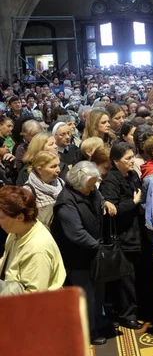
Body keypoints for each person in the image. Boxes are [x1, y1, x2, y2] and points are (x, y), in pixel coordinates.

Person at [52, 161, 116, 345]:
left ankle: (98, 322)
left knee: (98, 292)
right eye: (89, 186)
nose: (92, 189)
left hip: (93, 254)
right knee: (87, 296)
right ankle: (89, 332)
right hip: (78, 258)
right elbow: (76, 234)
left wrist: (105, 202)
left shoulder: (90, 190)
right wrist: (99, 247)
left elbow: (98, 197)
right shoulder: (66, 202)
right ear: (78, 184)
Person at [99, 142, 143, 330]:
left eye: (133, 157)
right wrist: (132, 203)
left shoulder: (132, 175)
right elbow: (112, 209)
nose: (132, 161)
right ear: (116, 161)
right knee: (125, 277)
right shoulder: (111, 180)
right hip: (122, 235)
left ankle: (134, 308)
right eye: (127, 159)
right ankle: (127, 314)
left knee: (134, 275)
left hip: (135, 231)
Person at [0, 186, 66, 295]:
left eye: (1, 217)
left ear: (20, 217)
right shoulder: (17, 230)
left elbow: (33, 296)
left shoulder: (37, 249)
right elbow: (6, 260)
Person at [23, 151, 64, 228]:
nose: (58, 170)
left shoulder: (60, 182)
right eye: (53, 167)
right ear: (39, 169)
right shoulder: (29, 190)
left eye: (59, 165)